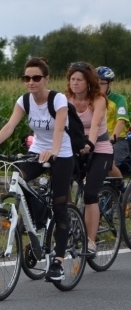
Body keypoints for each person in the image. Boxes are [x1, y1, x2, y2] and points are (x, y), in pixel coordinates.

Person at [0, 57, 74, 282]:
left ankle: (58, 262)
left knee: (60, 206)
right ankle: (37, 220)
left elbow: (59, 130)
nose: (31, 82)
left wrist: (54, 151)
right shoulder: (25, 101)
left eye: (36, 78)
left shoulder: (58, 100)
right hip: (37, 151)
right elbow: (10, 126)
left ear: (46, 79)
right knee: (17, 178)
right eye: (26, 78)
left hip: (63, 154)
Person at [66, 62, 111, 256]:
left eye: (79, 80)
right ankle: (70, 222)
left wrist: (89, 145)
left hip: (99, 148)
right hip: (75, 147)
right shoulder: (66, 99)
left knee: (90, 193)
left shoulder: (98, 99)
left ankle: (91, 242)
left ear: (88, 82)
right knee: (61, 184)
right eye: (72, 79)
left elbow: (94, 125)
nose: (75, 83)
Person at [98, 66, 130, 177]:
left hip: (117, 141)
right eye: (95, 83)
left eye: (102, 83)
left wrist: (112, 138)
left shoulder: (118, 99)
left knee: (108, 164)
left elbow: (121, 121)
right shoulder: (90, 100)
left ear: (109, 84)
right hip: (96, 140)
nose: (98, 86)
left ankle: (120, 187)